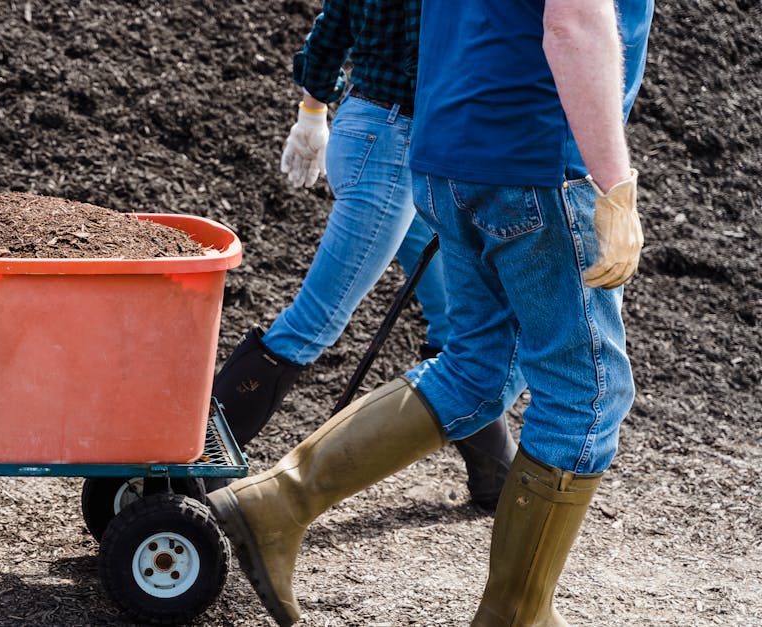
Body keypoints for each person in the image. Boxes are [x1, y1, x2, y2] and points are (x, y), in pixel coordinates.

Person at [207, 0, 654, 624]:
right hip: (538, 159)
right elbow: (572, 22)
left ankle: (278, 501)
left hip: (446, 152)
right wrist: (615, 185)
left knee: (476, 368)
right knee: (586, 393)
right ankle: (515, 617)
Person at [210, 0, 515, 511]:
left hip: (372, 129)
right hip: (398, 144)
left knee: (456, 322)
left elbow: (329, 33)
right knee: (314, 322)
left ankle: (496, 476)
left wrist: (312, 111)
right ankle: (185, 469)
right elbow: (432, 61)